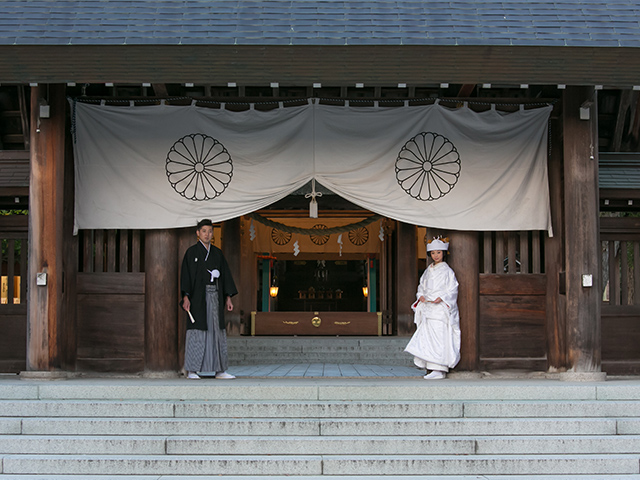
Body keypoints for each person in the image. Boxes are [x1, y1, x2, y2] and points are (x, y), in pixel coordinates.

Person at [180, 219, 238, 380]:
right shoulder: (191, 253)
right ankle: (192, 370)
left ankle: (219, 370)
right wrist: (186, 296)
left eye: (210, 231)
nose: (207, 234)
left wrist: (228, 298)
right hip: (197, 299)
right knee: (197, 331)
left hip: (215, 297)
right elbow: (186, 276)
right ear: (198, 233)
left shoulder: (217, 254)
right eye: (204, 231)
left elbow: (225, 276)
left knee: (216, 332)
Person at [404, 236, 461, 380]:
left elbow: (452, 289)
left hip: (440, 308)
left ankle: (440, 368)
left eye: (439, 252)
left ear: (444, 254)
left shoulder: (447, 271)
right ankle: (431, 367)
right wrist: (421, 296)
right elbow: (421, 286)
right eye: (433, 253)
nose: (436, 255)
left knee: (440, 336)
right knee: (428, 337)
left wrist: (442, 297)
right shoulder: (428, 271)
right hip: (428, 307)